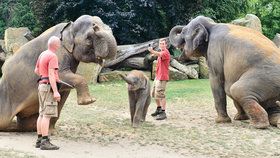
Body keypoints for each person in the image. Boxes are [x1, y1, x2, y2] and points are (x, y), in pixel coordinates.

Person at [34, 36, 61, 150]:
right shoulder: (53, 56)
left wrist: (44, 76)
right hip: (48, 87)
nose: (60, 45)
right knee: (47, 115)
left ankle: (39, 140)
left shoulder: (43, 54)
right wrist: (55, 91)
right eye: (59, 43)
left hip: (41, 85)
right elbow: (51, 75)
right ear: (56, 45)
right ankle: (45, 142)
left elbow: (36, 71)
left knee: (41, 113)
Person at [148, 38, 170, 120]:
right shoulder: (161, 52)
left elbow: (161, 54)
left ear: (166, 45)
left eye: (163, 44)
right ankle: (159, 109)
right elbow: (159, 54)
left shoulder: (166, 52)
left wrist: (152, 51)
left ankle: (163, 113)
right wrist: (154, 54)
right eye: (160, 44)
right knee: (154, 93)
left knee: (161, 94)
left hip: (162, 77)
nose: (161, 45)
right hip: (158, 77)